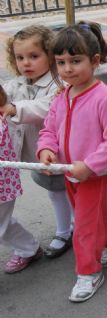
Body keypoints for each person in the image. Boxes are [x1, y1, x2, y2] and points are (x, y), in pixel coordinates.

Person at [37, 22, 107, 302]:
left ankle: (88, 272)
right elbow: (49, 129)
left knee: (86, 225)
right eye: (61, 62)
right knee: (96, 216)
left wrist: (90, 166)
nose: (67, 69)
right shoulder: (62, 96)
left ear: (95, 60)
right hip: (70, 173)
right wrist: (45, 150)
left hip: (96, 175)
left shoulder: (104, 97)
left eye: (75, 61)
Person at [1, 26, 73, 260]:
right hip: (36, 156)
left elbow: (46, 106)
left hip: (58, 152)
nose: (26, 63)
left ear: (50, 55)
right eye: (20, 58)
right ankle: (70, 227)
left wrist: (15, 108)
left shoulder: (58, 82)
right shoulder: (17, 83)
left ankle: (68, 230)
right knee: (56, 191)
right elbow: (4, 97)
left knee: (69, 191)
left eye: (34, 56)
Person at [0, 86, 42, 274]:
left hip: (2, 187)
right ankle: (28, 248)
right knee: (4, 224)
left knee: (2, 224)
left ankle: (28, 249)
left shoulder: (1, 122)